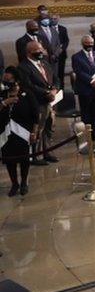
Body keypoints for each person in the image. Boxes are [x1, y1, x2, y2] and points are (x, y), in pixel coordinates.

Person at [18, 41, 59, 165]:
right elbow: (28, 85)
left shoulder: (45, 63)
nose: (41, 52)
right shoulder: (23, 67)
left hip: (50, 102)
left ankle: (47, 152)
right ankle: (36, 155)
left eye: (41, 50)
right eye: (37, 50)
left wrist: (54, 90)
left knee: (49, 127)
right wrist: (47, 92)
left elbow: (56, 78)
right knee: (38, 129)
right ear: (29, 52)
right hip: (37, 102)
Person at [1, 68, 39, 196]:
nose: (6, 82)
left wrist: (34, 132)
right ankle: (14, 184)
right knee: (9, 160)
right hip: (6, 133)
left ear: (16, 80)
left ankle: (23, 183)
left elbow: (35, 114)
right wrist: (6, 102)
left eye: (8, 80)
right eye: (4, 79)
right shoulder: (2, 94)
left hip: (23, 132)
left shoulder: (26, 93)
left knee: (24, 159)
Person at [71, 35, 95, 141]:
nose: (89, 45)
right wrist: (92, 81)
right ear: (83, 44)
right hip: (85, 89)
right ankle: (88, 135)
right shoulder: (76, 57)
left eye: (91, 43)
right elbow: (79, 72)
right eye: (87, 43)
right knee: (86, 113)